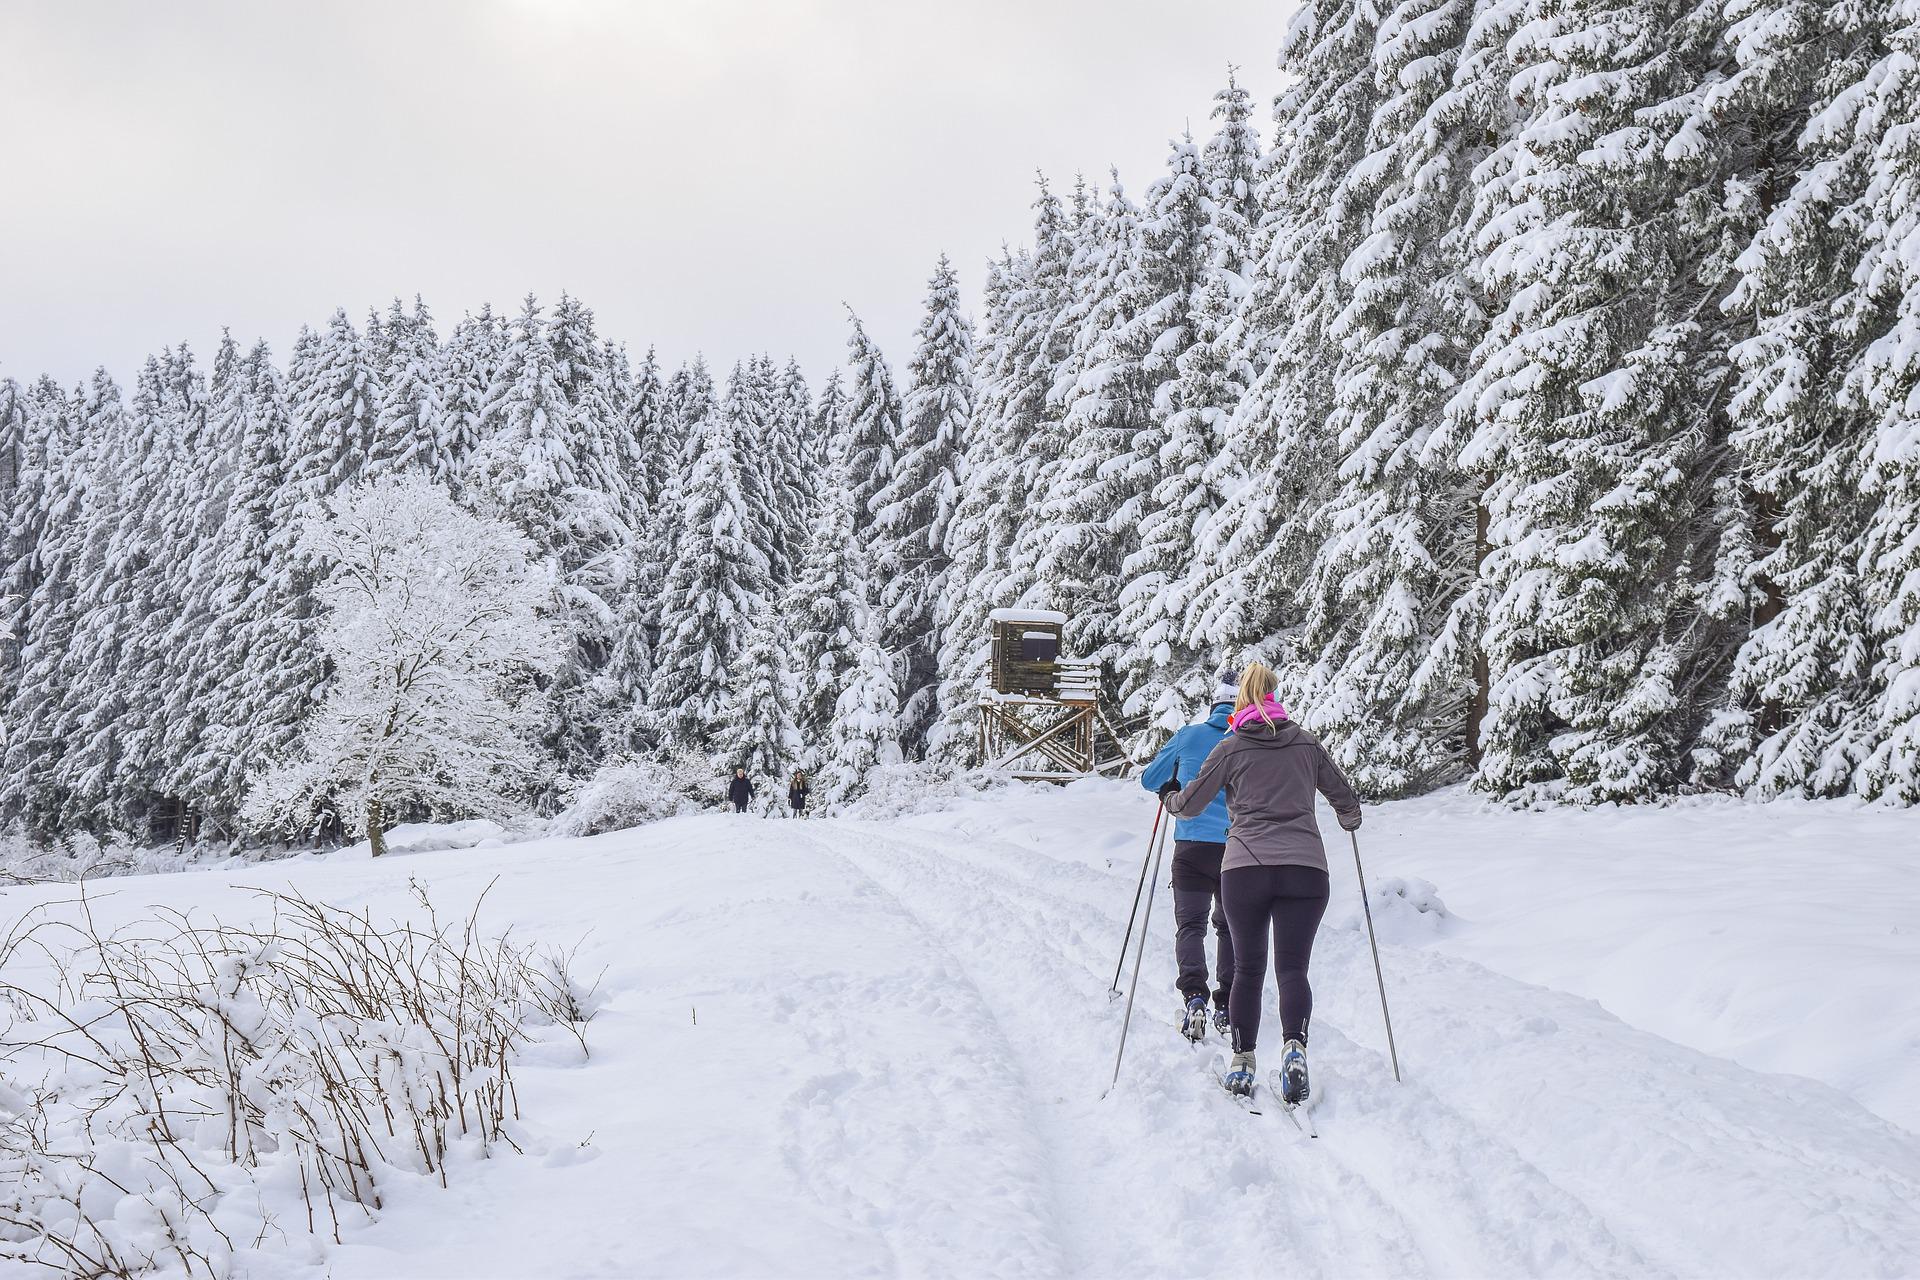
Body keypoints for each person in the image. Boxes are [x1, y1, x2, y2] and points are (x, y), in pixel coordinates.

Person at [1162, 661, 1361, 1105]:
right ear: (1275, 695)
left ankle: (1242, 1063)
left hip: (1246, 869)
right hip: (1306, 870)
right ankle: (1294, 1048)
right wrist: (1350, 819)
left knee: (1249, 970)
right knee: (1293, 970)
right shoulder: (1307, 744)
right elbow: (1345, 799)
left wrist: (1171, 801)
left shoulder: (1231, 748)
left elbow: (1191, 803)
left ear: (1241, 701)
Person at [1138, 670, 1238, 1042]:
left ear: (1212, 705)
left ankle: (1194, 997)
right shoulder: (1245, 738)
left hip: (1191, 847)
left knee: (1191, 926)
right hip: (1236, 849)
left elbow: (1150, 779)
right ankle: (1226, 1003)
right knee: (1229, 927)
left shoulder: (1189, 736)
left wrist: (1173, 785)